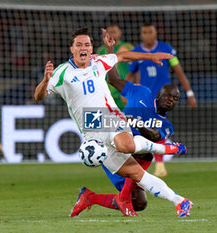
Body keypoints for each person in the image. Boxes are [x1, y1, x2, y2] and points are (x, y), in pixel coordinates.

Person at [34, 26, 193, 218]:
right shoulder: (62, 72)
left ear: (92, 48)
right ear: (72, 49)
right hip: (90, 129)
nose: (83, 47)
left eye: (87, 44)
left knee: (126, 145)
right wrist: (45, 81)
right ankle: (181, 201)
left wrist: (150, 57)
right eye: (79, 44)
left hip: (107, 115)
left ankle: (168, 150)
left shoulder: (98, 61)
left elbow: (124, 57)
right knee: (138, 175)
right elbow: (38, 96)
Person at [70, 35, 185, 216]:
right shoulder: (141, 92)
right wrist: (110, 52)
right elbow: (114, 79)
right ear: (158, 95)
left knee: (139, 203)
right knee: (141, 153)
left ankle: (89, 197)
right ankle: (122, 197)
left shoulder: (167, 125)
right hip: (113, 143)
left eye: (175, 99)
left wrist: (136, 123)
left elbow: (154, 137)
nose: (170, 100)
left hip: (133, 154)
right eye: (168, 96)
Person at [126, 23, 197, 177]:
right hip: (144, 100)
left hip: (162, 99)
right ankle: (140, 165)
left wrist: (189, 93)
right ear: (141, 34)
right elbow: (130, 75)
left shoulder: (167, 49)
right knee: (143, 130)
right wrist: (126, 95)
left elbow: (179, 71)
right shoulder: (136, 52)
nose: (148, 35)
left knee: (156, 130)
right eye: (144, 32)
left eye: (150, 31)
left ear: (155, 32)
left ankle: (159, 165)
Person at [97, 24, 133, 110]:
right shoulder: (101, 50)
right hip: (107, 91)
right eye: (110, 32)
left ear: (120, 33)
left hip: (124, 90)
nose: (112, 35)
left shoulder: (128, 47)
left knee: (127, 118)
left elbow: (136, 68)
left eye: (114, 32)